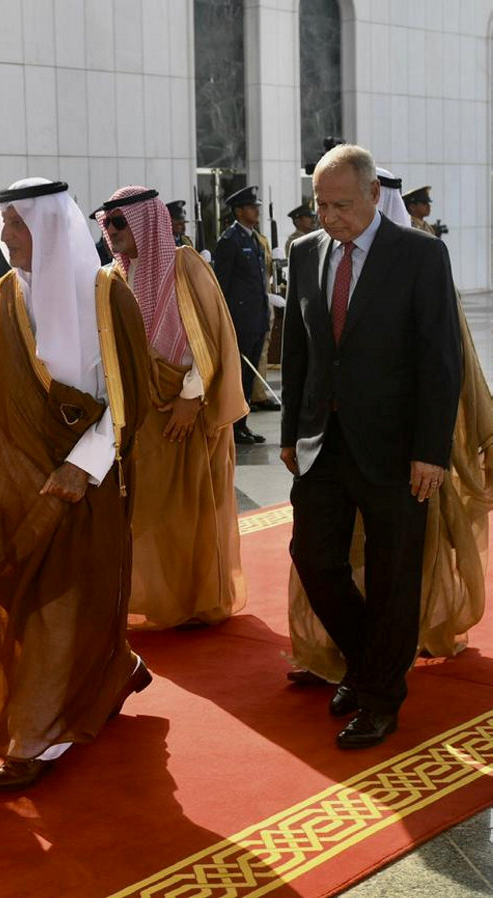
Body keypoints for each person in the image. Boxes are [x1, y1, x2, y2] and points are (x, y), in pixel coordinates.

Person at [0, 178, 152, 791]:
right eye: (3, 224)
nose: (5, 237)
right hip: (19, 483)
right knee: (36, 607)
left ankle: (35, 737)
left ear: (52, 226)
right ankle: (117, 670)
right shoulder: (6, 293)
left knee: (61, 609)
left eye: (17, 224)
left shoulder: (106, 295)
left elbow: (128, 397)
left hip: (89, 480)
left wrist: (82, 466)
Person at [281, 144, 463, 749]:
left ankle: (381, 698)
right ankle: (368, 664)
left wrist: (431, 452)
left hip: (397, 450)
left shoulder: (420, 255)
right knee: (313, 558)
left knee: (393, 578)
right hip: (321, 445)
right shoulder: (304, 253)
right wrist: (288, 435)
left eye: (340, 205)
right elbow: (301, 353)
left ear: (372, 197)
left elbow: (441, 362)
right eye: (319, 204)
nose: (328, 216)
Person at [97, 187, 248, 630]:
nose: (111, 232)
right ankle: (159, 597)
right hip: (143, 413)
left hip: (187, 410)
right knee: (151, 509)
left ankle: (197, 597)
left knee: (192, 508)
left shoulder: (185, 265)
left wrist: (190, 398)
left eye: (119, 222)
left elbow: (213, 334)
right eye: (107, 224)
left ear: (145, 221)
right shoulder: (114, 276)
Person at [213, 186, 270, 444]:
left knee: (248, 376)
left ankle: (243, 425)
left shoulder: (253, 239)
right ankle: (234, 427)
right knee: (238, 375)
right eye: (251, 207)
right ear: (238, 211)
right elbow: (221, 285)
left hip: (255, 319)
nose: (256, 210)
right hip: (239, 320)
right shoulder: (229, 240)